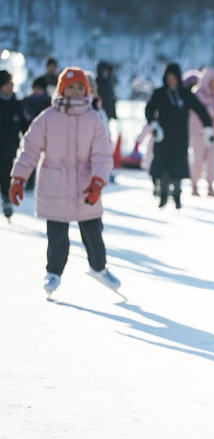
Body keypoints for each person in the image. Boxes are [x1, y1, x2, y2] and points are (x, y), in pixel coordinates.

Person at [9, 67, 120, 295]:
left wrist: (98, 181)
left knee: (92, 231)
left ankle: (98, 268)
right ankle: (53, 273)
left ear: (87, 90)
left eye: (80, 87)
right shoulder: (48, 118)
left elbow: (102, 153)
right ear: (62, 89)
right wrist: (19, 177)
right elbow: (30, 149)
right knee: (57, 235)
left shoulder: (94, 119)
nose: (76, 91)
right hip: (54, 184)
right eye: (71, 87)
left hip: (86, 185)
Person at [144, 62, 214, 209]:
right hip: (162, 136)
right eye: (168, 77)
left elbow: (200, 110)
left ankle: (177, 194)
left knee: (177, 168)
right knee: (162, 167)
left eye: (173, 77)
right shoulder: (159, 93)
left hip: (180, 138)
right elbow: (149, 109)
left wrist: (208, 127)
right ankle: (162, 193)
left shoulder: (185, 94)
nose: (171, 80)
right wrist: (154, 125)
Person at [189, 67, 214, 197]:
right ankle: (194, 185)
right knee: (198, 160)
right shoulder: (197, 95)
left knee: (212, 161)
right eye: (213, 81)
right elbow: (204, 112)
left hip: (213, 134)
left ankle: (210, 185)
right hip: (199, 133)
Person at [0, 70, 28, 218]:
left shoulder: (17, 104)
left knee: (6, 175)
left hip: (9, 148)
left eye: (11, 84)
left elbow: (26, 126)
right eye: (6, 85)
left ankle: (6, 199)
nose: (9, 88)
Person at [21, 76, 52, 191]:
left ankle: (45, 182)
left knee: (46, 159)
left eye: (40, 89)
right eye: (35, 88)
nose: (37, 91)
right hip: (30, 134)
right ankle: (30, 180)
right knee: (29, 157)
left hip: (46, 135)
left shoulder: (49, 102)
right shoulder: (26, 101)